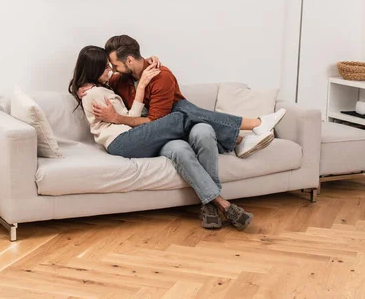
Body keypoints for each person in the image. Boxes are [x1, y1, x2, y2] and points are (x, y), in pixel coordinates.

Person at [76, 36, 287, 230]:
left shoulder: (160, 76)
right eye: (107, 67)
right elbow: (146, 120)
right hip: (142, 135)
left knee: (184, 146)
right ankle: (247, 133)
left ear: (129, 61)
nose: (112, 70)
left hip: (157, 135)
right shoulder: (114, 82)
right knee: (182, 112)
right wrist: (86, 88)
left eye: (113, 65)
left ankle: (213, 206)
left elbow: (145, 119)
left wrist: (98, 89)